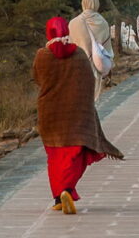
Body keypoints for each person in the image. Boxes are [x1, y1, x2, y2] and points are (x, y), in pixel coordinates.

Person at [33, 16, 123, 215]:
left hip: (50, 115)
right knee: (75, 155)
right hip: (76, 116)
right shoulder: (80, 55)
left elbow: (37, 79)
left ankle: (58, 196)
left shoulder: (42, 56)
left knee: (55, 157)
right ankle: (67, 189)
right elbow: (88, 83)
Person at [68, 0, 114, 102]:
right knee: (93, 101)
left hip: (78, 66)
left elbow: (70, 46)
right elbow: (107, 50)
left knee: (80, 101)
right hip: (96, 67)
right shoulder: (103, 23)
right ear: (97, 3)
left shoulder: (73, 23)